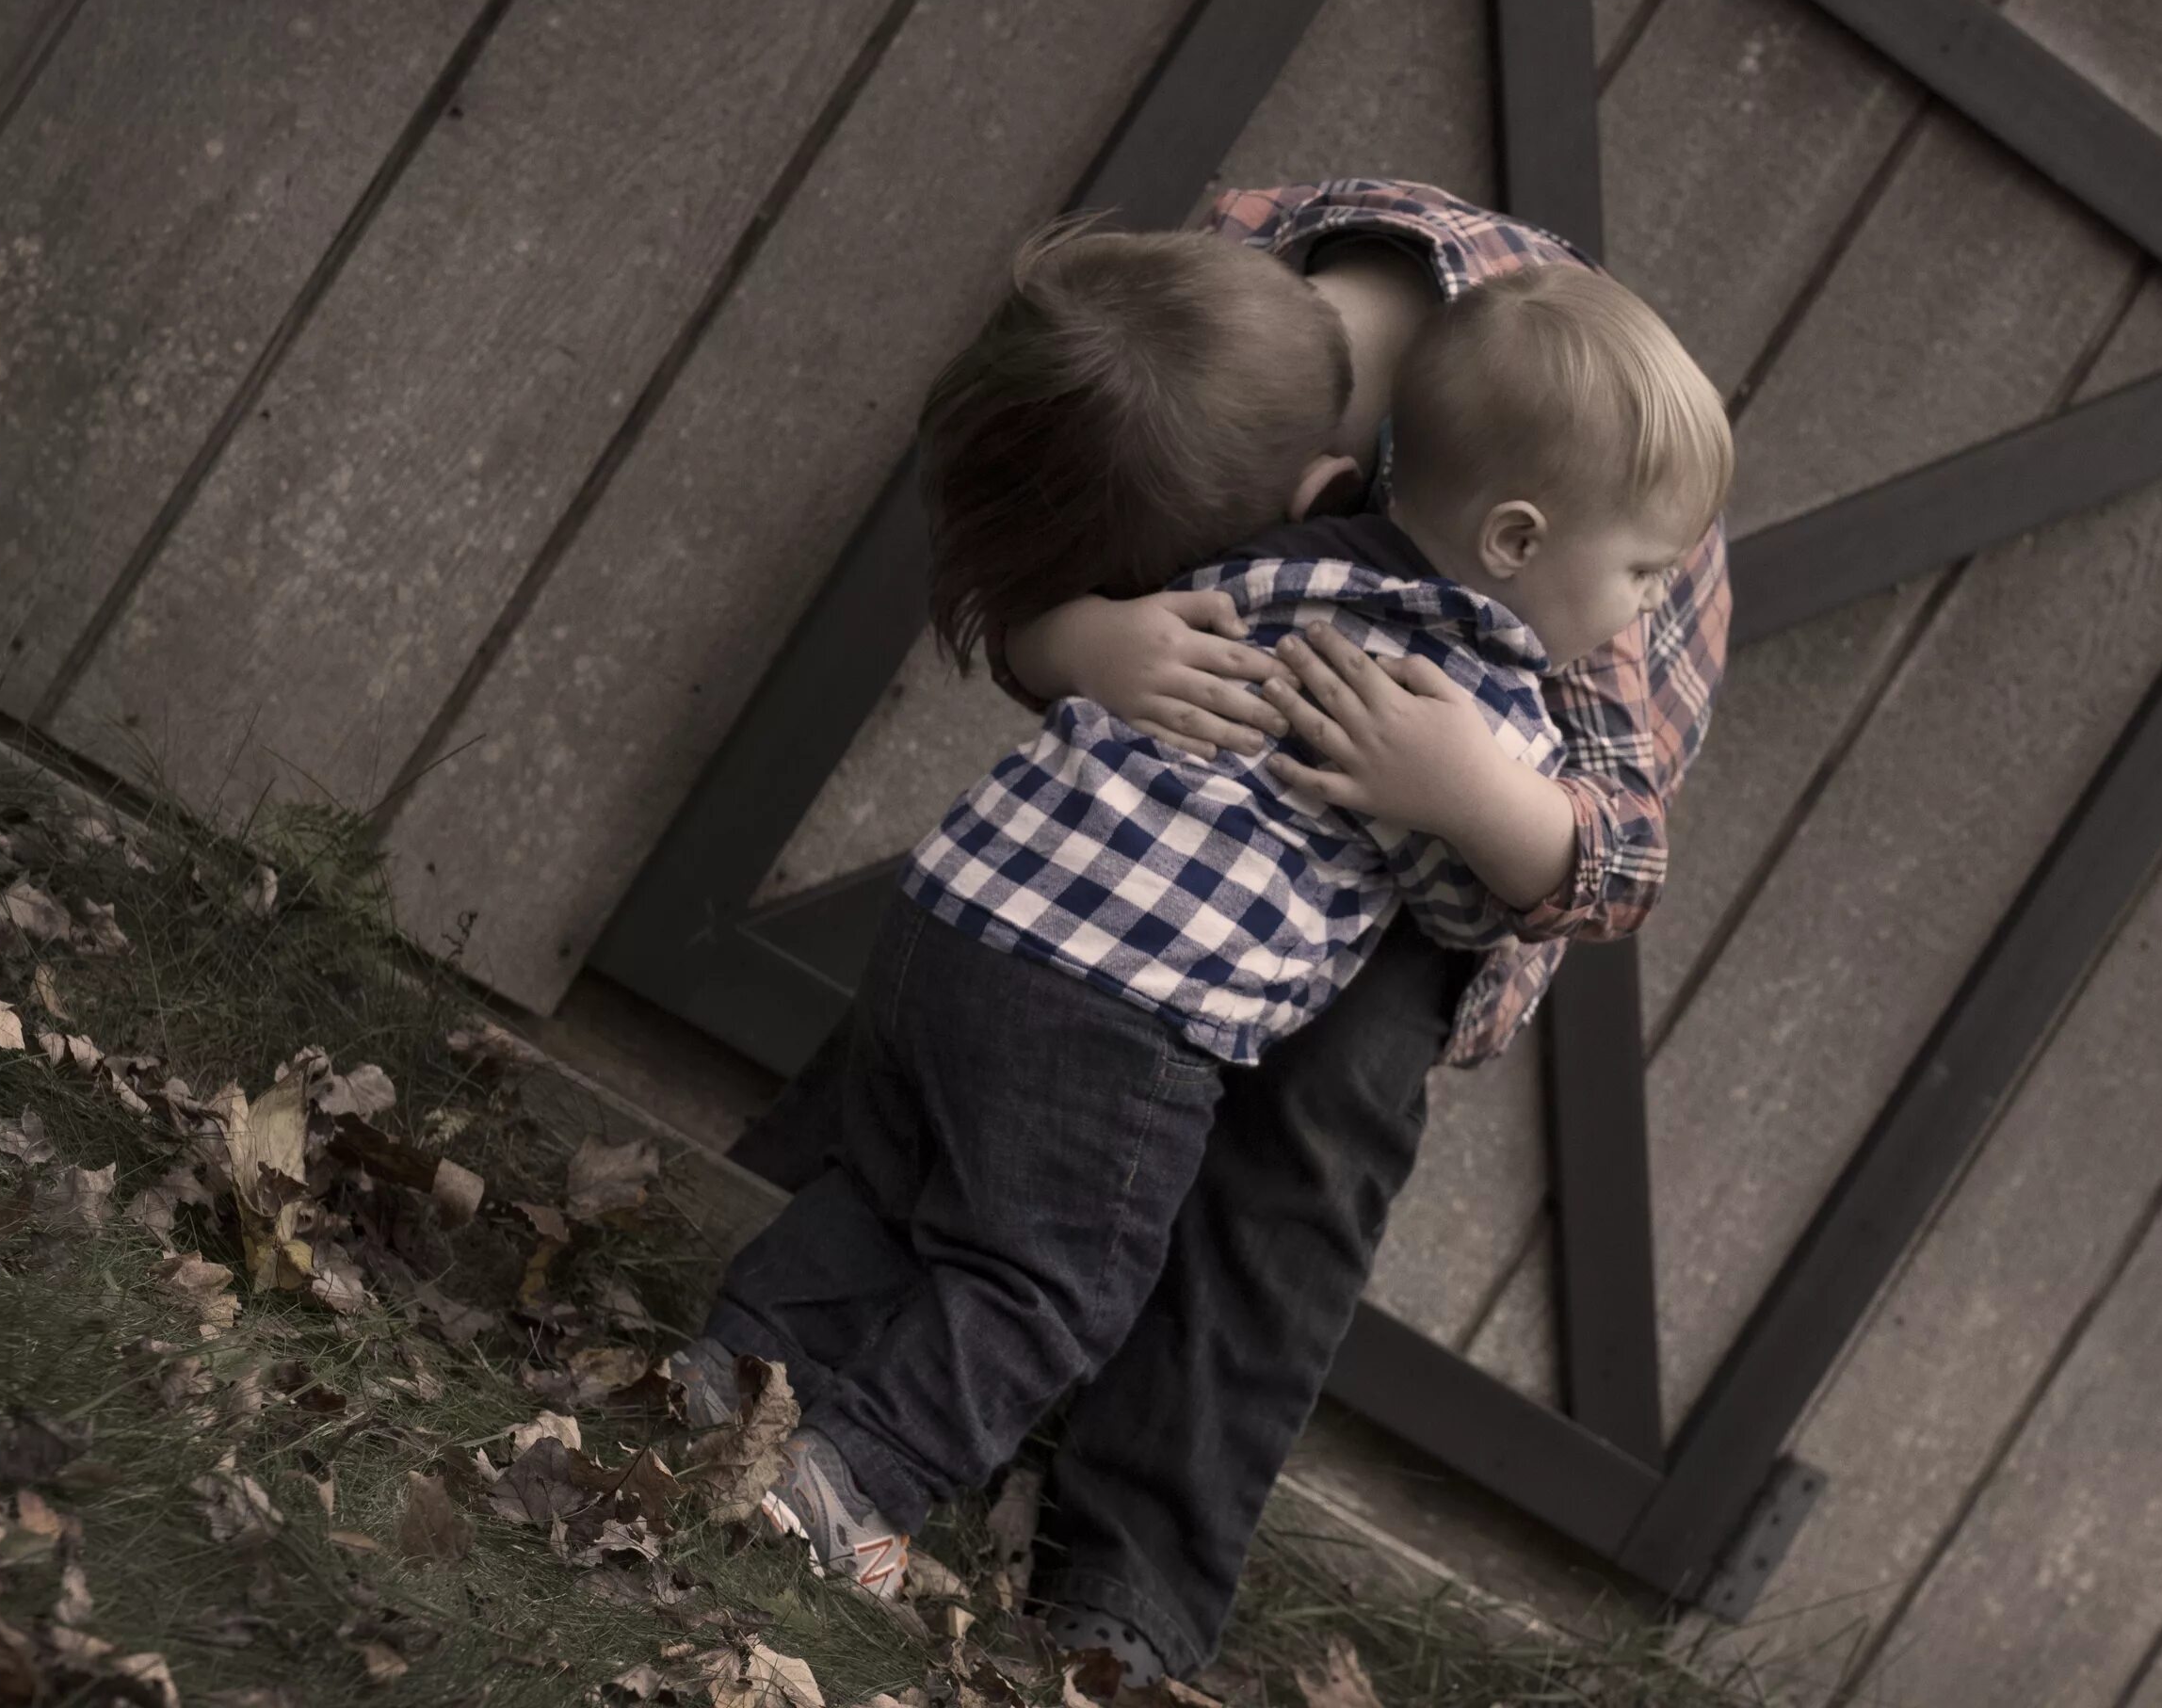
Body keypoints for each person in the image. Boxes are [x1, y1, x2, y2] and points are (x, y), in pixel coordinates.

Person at [686, 202, 1732, 1684]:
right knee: (1050, 1269)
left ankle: (1086, 1552)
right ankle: (847, 1473)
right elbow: (1042, 556)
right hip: (1148, 952)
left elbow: (1604, 861)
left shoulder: (1610, 500)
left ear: (1312, 496)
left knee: (1304, 1117)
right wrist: (1080, 642)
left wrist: (1480, 799)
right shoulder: (1167, 310)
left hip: (995, 905)